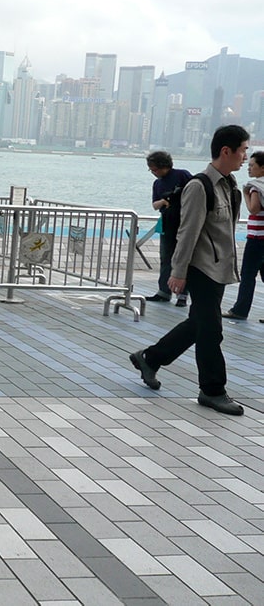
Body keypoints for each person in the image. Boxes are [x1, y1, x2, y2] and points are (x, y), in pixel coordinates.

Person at [129, 124, 248, 416]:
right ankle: (212, 390)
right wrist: (178, 272)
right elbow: (188, 232)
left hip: (218, 268)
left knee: (198, 324)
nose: (246, 156)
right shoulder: (200, 186)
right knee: (211, 331)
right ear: (226, 151)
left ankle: (150, 357)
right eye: (243, 150)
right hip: (201, 269)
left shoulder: (230, 186)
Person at [145, 150, 191, 307]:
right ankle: (163, 291)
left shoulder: (182, 175)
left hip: (183, 223)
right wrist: (164, 201)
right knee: (166, 258)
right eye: (151, 170)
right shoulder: (157, 184)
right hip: (166, 223)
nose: (153, 173)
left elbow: (194, 194)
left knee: (183, 259)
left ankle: (183, 294)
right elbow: (154, 204)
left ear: (164, 165)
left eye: (155, 169)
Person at [223, 150, 264, 320]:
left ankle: (240, 310)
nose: (249, 169)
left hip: (257, 238)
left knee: (248, 274)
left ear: (262, 168)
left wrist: (246, 195)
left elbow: (254, 209)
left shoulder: (256, 186)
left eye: (252, 165)